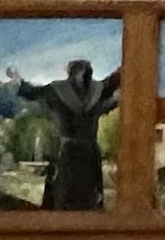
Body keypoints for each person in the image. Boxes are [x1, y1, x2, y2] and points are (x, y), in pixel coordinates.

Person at [33, 56, 114, 214]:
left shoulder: (60, 91)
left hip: (75, 153)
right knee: (74, 198)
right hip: (78, 154)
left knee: (74, 199)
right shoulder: (94, 91)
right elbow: (110, 97)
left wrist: (18, 79)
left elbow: (34, 92)